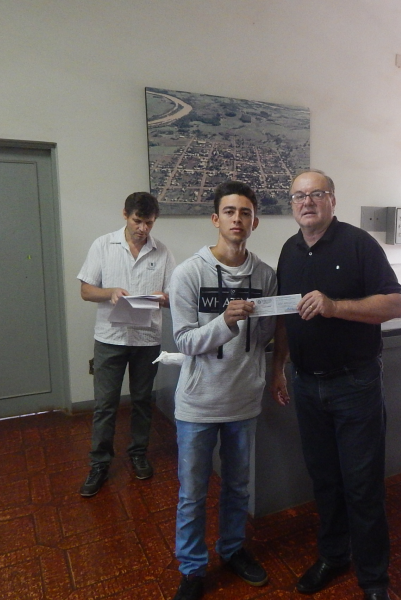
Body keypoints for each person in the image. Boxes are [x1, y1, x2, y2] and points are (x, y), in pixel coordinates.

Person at [271, 170, 401, 600]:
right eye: (299, 196)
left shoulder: (359, 244)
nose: (307, 202)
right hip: (306, 385)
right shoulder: (289, 251)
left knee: (362, 486)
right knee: (325, 481)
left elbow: (394, 304)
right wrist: (278, 367)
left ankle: (374, 580)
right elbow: (286, 317)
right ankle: (333, 556)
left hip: (355, 385)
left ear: (332, 200)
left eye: (317, 194)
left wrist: (334, 306)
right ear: (292, 204)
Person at [169, 181, 277, 600]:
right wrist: (225, 322)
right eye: (230, 212)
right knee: (192, 493)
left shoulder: (265, 276)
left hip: (243, 400)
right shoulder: (188, 273)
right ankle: (192, 569)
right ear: (216, 219)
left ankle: (232, 550)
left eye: (245, 212)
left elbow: (264, 337)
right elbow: (184, 341)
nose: (237, 219)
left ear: (255, 222)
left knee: (237, 487)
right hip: (197, 404)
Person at [77, 192, 176, 497]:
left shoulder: (163, 252)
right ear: (125, 215)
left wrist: (164, 298)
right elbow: (85, 291)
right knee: (105, 404)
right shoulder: (103, 245)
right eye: (137, 221)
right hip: (110, 338)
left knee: (143, 401)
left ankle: (138, 454)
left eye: (149, 223)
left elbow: (175, 296)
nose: (143, 228)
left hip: (147, 340)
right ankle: (99, 464)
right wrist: (110, 293)